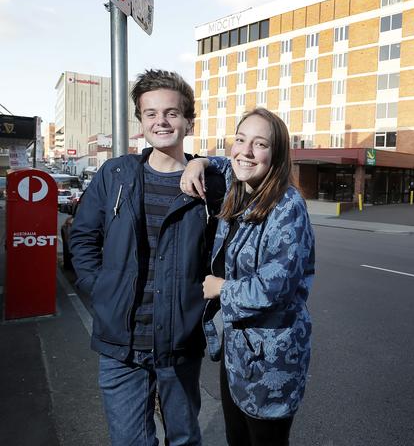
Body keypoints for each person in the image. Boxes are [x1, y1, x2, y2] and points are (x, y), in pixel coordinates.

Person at [69, 69, 226, 445]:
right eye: (151, 113)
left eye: (172, 113)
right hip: (120, 344)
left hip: (180, 341)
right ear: (140, 121)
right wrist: (100, 288)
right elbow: (83, 239)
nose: (162, 121)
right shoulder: (116, 174)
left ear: (188, 120)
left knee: (184, 439)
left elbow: (259, 168)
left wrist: (206, 161)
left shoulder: (211, 184)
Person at [180, 108, 315, 446]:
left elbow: (276, 286)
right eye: (240, 140)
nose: (246, 151)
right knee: (236, 438)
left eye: (260, 144)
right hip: (238, 351)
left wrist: (220, 287)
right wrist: (200, 162)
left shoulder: (287, 206)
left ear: (278, 155)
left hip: (273, 357)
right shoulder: (241, 188)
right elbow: (231, 163)